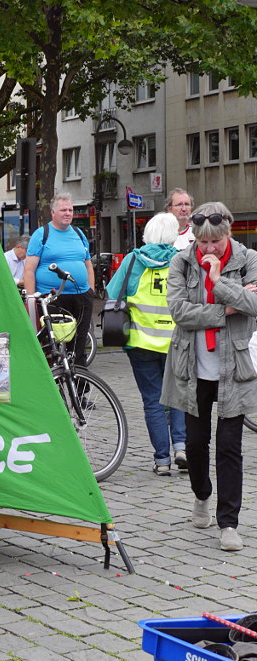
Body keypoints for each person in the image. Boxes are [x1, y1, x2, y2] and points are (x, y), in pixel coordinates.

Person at [161, 202, 257, 552]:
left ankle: (228, 523)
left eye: (215, 242)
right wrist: (228, 307)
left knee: (230, 448)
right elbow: (179, 312)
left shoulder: (248, 260)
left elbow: (255, 307)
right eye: (203, 243)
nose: (209, 249)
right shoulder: (181, 261)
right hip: (193, 367)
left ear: (227, 234)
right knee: (197, 446)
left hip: (234, 369)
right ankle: (201, 494)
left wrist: (218, 281)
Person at [106, 213, 186, 476]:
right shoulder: (181, 260)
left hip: (140, 343)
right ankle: (182, 447)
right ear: (173, 234)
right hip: (176, 343)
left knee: (153, 400)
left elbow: (112, 293)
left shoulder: (132, 260)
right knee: (178, 397)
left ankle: (162, 460)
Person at [23, 192, 94, 371]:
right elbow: (29, 270)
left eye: (70, 210)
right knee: (55, 346)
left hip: (81, 296)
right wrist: (32, 299)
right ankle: (57, 389)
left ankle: (80, 393)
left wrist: (91, 291)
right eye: (63, 210)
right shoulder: (41, 235)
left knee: (79, 345)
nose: (68, 213)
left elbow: (88, 265)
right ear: (53, 212)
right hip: (53, 298)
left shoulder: (79, 233)